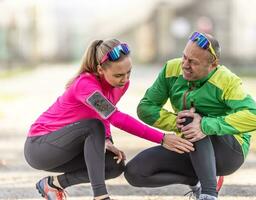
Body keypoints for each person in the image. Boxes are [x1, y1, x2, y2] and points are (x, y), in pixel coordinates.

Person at [24, 39, 194, 200]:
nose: (125, 79)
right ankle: (101, 196)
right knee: (93, 126)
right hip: (40, 147)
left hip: (69, 148)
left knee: (114, 164)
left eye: (129, 72)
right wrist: (162, 138)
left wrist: (107, 140)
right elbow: (114, 117)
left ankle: (53, 184)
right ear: (100, 70)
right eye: (119, 75)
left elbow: (104, 114)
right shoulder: (85, 84)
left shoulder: (120, 85)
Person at [124, 32, 256, 200]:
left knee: (192, 120)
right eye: (184, 57)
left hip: (228, 152)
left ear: (213, 64)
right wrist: (175, 122)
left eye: (193, 62)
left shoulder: (226, 80)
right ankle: (196, 180)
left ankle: (209, 194)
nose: (185, 65)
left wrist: (206, 124)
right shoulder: (171, 69)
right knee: (135, 172)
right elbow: (145, 107)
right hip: (190, 146)